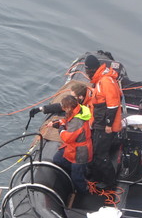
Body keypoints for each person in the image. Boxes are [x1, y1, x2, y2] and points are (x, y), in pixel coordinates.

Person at [85, 54, 122, 189]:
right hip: (99, 123)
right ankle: (95, 175)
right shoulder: (101, 80)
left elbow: (112, 105)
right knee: (95, 150)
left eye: (87, 70)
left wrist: (108, 124)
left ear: (92, 69)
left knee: (101, 154)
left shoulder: (105, 82)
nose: (86, 73)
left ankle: (109, 181)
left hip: (105, 125)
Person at [51, 95, 93, 194]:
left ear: (69, 108)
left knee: (77, 177)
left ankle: (83, 192)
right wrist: (59, 123)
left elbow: (68, 138)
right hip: (73, 148)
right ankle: (80, 171)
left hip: (80, 152)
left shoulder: (77, 122)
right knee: (57, 159)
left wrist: (61, 129)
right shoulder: (78, 111)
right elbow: (67, 121)